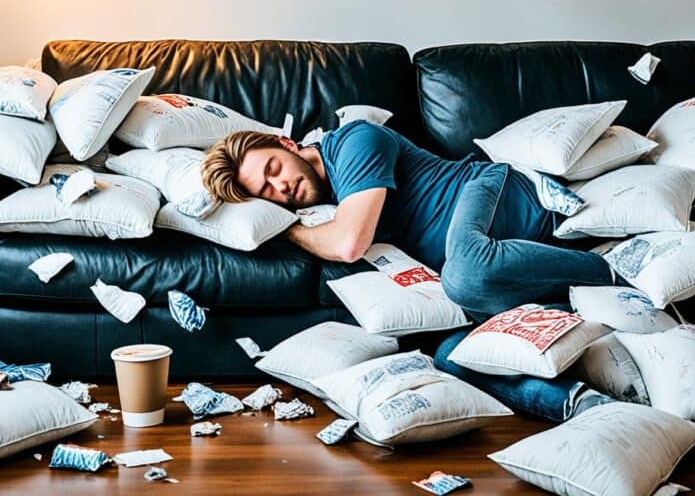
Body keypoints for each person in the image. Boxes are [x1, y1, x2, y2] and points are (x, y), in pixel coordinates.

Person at [202, 120, 615, 421]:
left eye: (273, 169)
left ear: (285, 144)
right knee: (451, 357)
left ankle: (611, 271)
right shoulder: (319, 210)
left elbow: (349, 243)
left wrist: (286, 228)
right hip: (488, 275)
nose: (280, 188)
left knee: (465, 274)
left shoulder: (353, 142)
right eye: (266, 193)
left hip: (490, 193)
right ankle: (580, 403)